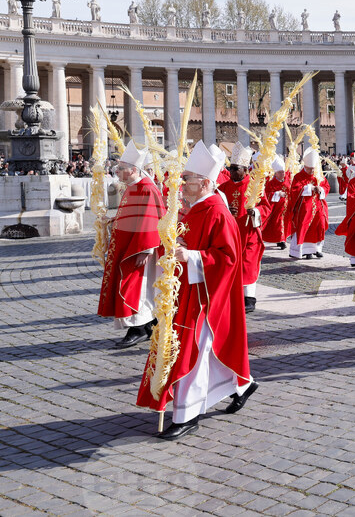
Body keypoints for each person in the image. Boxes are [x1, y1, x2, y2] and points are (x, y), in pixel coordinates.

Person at [136, 141, 256, 440]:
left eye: (186, 178)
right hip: (185, 292)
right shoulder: (193, 209)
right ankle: (242, 384)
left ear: (204, 183)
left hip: (204, 297)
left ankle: (187, 414)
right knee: (203, 352)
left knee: (192, 351)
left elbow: (229, 258)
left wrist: (190, 257)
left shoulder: (217, 212)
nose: (181, 183)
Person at [97, 141, 165, 348]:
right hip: (127, 245)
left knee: (135, 285)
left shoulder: (147, 189)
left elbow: (153, 220)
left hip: (140, 248)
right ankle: (146, 325)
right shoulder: (132, 187)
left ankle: (138, 327)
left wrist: (146, 248)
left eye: (121, 169)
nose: (117, 172)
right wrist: (112, 222)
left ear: (133, 170)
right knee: (134, 285)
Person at [217, 144, 269, 314]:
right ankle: (234, 295)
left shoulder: (255, 186)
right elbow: (216, 208)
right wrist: (225, 210)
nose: (231, 172)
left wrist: (255, 212)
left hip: (249, 232)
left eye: (235, 168)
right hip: (230, 235)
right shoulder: (223, 188)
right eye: (230, 168)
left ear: (245, 170)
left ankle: (249, 298)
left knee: (248, 264)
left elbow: (266, 208)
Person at [288, 149, 330, 259]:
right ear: (305, 167)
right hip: (304, 207)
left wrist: (320, 188)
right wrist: (310, 188)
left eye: (313, 169)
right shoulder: (298, 176)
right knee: (304, 225)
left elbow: (326, 186)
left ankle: (317, 249)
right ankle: (304, 250)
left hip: (318, 206)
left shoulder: (318, 176)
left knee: (320, 225)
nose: (312, 171)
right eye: (310, 169)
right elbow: (295, 190)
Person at [261, 156, 291, 250]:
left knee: (284, 223)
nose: (282, 174)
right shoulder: (271, 183)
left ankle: (282, 239)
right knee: (277, 224)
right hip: (275, 207)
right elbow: (267, 194)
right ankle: (281, 240)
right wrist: (277, 194)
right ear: (275, 173)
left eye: (283, 172)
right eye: (280, 173)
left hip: (286, 207)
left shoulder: (287, 181)